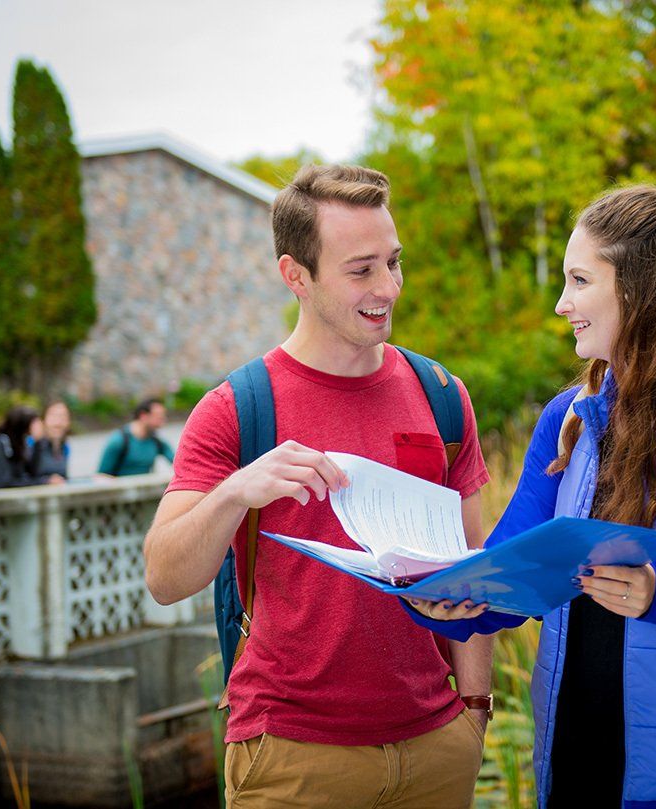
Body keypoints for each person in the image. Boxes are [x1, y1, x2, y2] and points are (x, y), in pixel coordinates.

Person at [406, 175, 656, 809]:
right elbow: (516, 565)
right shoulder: (565, 417)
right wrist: (454, 598)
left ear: (642, 289)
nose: (561, 304)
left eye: (579, 280)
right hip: (573, 759)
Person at [142, 164, 493, 809]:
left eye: (394, 263)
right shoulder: (237, 408)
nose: (387, 287)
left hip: (437, 747)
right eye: (361, 270)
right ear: (295, 276)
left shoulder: (442, 397)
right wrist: (235, 492)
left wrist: (473, 711)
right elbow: (165, 578)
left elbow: (475, 564)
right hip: (293, 758)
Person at [0, 405, 66, 490]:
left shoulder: (21, 446)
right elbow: (4, 483)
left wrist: (38, 442)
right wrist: (44, 482)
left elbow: (30, 474)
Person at [97, 398, 174, 476]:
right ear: (143, 415)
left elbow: (178, 463)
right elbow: (102, 476)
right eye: (159, 416)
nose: (163, 420)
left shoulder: (157, 442)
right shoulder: (119, 441)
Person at [31, 400, 71, 480]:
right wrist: (46, 481)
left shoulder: (65, 447)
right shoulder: (31, 444)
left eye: (63, 416)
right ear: (43, 420)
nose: (58, 422)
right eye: (53, 416)